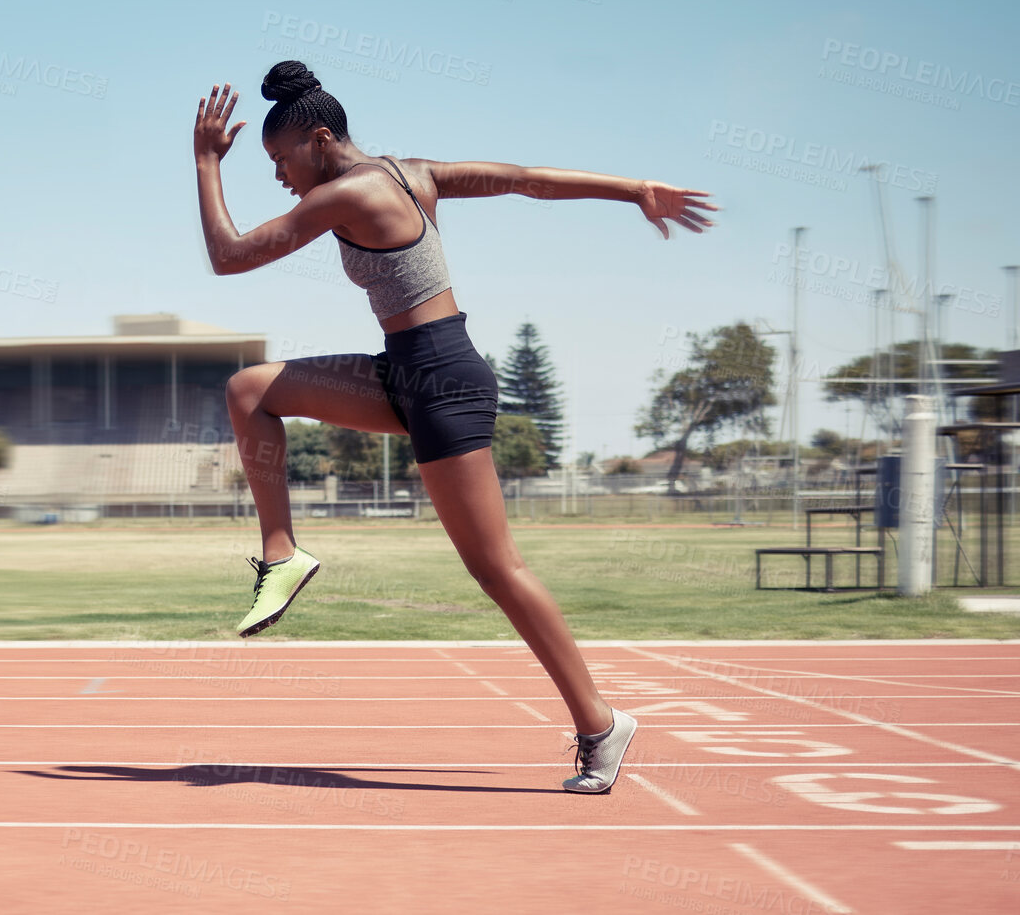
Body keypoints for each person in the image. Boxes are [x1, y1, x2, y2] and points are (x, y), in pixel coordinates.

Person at [192, 61, 717, 793]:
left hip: (439, 379)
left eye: (280, 161)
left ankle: (600, 723)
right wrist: (630, 189)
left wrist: (205, 164)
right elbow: (526, 178)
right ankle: (281, 554)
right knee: (250, 389)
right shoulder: (413, 172)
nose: (279, 177)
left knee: (495, 565)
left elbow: (229, 256)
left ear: (317, 139)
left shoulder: (349, 191)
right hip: (407, 368)